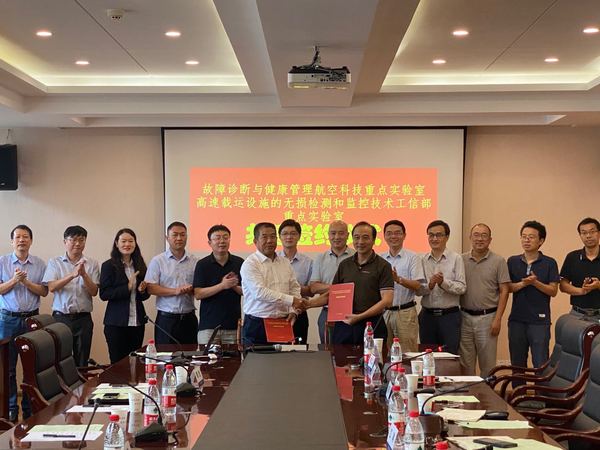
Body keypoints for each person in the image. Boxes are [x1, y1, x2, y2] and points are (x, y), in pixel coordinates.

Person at [306, 221, 394, 345]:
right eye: (357, 237)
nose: (360, 242)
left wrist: (360, 317)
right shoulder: (345, 265)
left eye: (365, 237)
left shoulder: (383, 266)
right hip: (344, 324)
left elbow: (387, 300)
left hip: (371, 324)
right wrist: (308, 304)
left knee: (371, 357)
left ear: (374, 240)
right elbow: (333, 295)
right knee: (340, 356)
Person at [0, 225, 47, 422]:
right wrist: (14, 280)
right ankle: (11, 408)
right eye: (18, 237)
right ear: (12, 241)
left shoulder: (39, 264)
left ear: (31, 241)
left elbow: (44, 291)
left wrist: (26, 283)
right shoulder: (2, 262)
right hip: (8, 320)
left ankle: (29, 408)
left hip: (31, 320)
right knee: (8, 368)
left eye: (25, 237)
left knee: (31, 368)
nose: (21, 240)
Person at [42, 225, 100, 367]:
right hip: (61, 318)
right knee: (61, 359)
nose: (78, 243)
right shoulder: (55, 262)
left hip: (83, 318)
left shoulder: (92, 263)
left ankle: (81, 383)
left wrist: (84, 275)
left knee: (82, 360)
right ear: (65, 242)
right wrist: (72, 275)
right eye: (73, 240)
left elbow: (94, 292)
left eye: (81, 240)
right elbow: (51, 287)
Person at [240, 222, 304, 346]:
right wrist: (292, 301)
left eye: (273, 236)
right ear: (255, 241)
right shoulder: (250, 264)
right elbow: (259, 292)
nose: (269, 241)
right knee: (256, 359)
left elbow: (294, 288)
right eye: (264, 237)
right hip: (257, 324)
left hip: (283, 322)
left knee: (283, 358)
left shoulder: (285, 262)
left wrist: (293, 310)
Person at [507, 220, 559, 371]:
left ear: (541, 240)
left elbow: (553, 291)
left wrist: (535, 283)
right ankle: (518, 388)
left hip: (539, 321)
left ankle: (541, 388)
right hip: (517, 319)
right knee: (517, 365)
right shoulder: (512, 261)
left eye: (531, 237)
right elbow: (507, 288)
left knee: (540, 365)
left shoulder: (549, 262)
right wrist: (524, 283)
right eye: (524, 236)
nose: (526, 240)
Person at [459, 224, 510, 377]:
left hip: (488, 318)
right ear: (470, 237)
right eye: (476, 235)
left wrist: (498, 319)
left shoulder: (499, 261)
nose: (479, 239)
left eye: (484, 235)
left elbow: (504, 290)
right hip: (464, 317)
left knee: (487, 366)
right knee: (465, 365)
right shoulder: (460, 260)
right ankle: (468, 392)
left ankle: (486, 393)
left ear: (490, 239)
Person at [99, 228, 150, 364]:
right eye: (123, 241)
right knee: (118, 363)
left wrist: (142, 290)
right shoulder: (108, 266)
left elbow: (145, 296)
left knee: (135, 363)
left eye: (131, 241)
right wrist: (127, 287)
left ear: (135, 243)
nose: (127, 244)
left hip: (137, 322)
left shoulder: (140, 265)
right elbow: (104, 294)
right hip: (116, 323)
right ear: (117, 243)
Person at [145, 221, 198, 345]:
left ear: (187, 237)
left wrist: (191, 290)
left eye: (182, 235)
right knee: (165, 355)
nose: (179, 238)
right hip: (166, 319)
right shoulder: (158, 260)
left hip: (189, 318)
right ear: (167, 238)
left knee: (190, 355)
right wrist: (175, 291)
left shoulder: (195, 261)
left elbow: (199, 288)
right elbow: (151, 288)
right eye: (175, 235)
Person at [419, 220, 466, 355]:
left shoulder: (456, 258)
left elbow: (462, 287)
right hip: (427, 316)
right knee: (427, 356)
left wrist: (443, 283)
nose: (434, 238)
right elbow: (417, 290)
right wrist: (430, 285)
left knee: (450, 356)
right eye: (431, 235)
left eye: (439, 235)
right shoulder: (422, 260)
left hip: (449, 317)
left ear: (447, 237)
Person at [193, 224, 244, 345]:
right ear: (209, 243)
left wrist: (233, 286)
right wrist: (222, 285)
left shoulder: (239, 262)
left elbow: (247, 291)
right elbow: (198, 294)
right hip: (208, 327)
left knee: (235, 357)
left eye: (225, 237)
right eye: (217, 238)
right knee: (206, 357)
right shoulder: (202, 264)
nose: (222, 241)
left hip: (233, 326)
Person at [381, 220, 425, 352]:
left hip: (405, 313)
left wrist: (398, 279)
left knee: (407, 353)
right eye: (389, 233)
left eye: (397, 233)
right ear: (384, 236)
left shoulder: (413, 257)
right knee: (385, 353)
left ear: (404, 235)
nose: (393, 236)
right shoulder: (380, 258)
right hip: (385, 313)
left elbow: (417, 285)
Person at [309, 220, 354, 343]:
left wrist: (329, 288)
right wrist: (340, 289)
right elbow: (314, 287)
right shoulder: (320, 258)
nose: (337, 237)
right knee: (326, 350)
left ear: (347, 235)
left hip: (352, 313)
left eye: (341, 233)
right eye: (333, 233)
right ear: (328, 235)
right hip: (327, 311)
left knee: (351, 350)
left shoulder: (356, 256)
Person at [277, 219, 313, 343]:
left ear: (299, 236)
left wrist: (292, 288)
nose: (289, 237)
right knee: (275, 351)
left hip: (299, 312)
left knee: (299, 350)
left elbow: (311, 291)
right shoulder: (272, 260)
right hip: (277, 312)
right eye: (285, 233)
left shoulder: (308, 262)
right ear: (279, 237)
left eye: (293, 233)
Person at [559, 217, 600, 317]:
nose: (588, 236)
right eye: (584, 233)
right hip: (577, 313)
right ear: (580, 235)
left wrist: (598, 286)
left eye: (592, 232)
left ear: (599, 233)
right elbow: (563, 285)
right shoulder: (572, 257)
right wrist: (581, 291)